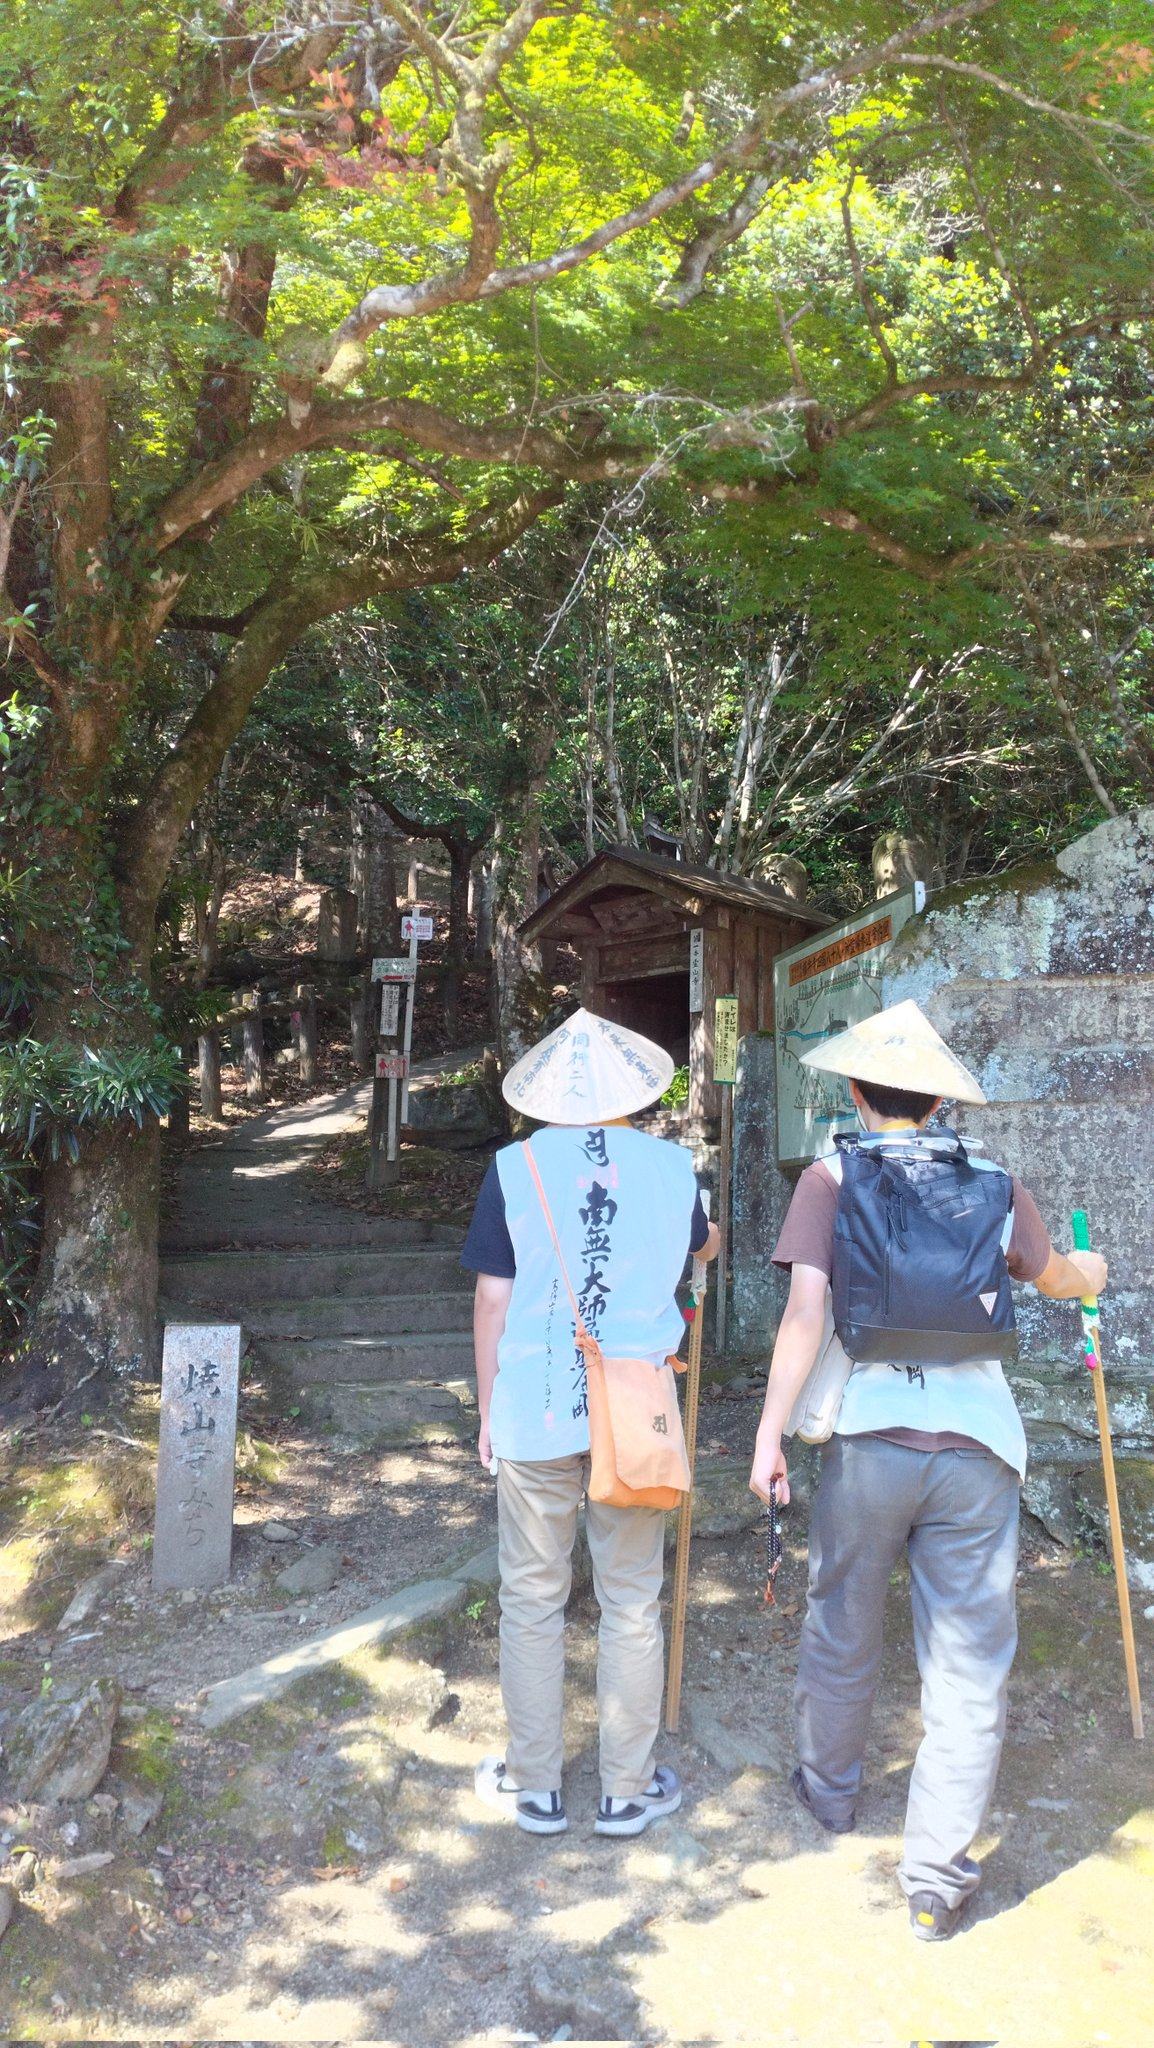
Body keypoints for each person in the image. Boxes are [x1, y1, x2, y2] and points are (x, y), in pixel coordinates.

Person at [748, 999, 1108, 1940]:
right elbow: (1055, 1276)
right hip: (978, 1448)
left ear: (859, 1091)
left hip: (871, 1437)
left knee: (841, 1620)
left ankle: (830, 1794)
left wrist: (768, 1438)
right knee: (968, 1667)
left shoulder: (830, 1177)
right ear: (939, 1101)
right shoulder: (994, 1179)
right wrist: (1092, 1272)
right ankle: (934, 1882)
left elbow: (804, 1316)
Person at [461, 1007, 719, 1838]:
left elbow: (493, 1296)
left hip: (537, 1408)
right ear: (632, 1094)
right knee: (632, 1601)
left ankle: (534, 1786)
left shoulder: (512, 1168)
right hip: (636, 1413)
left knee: (532, 1598)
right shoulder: (672, 1167)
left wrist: (488, 1404)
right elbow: (702, 1248)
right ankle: (624, 1789)